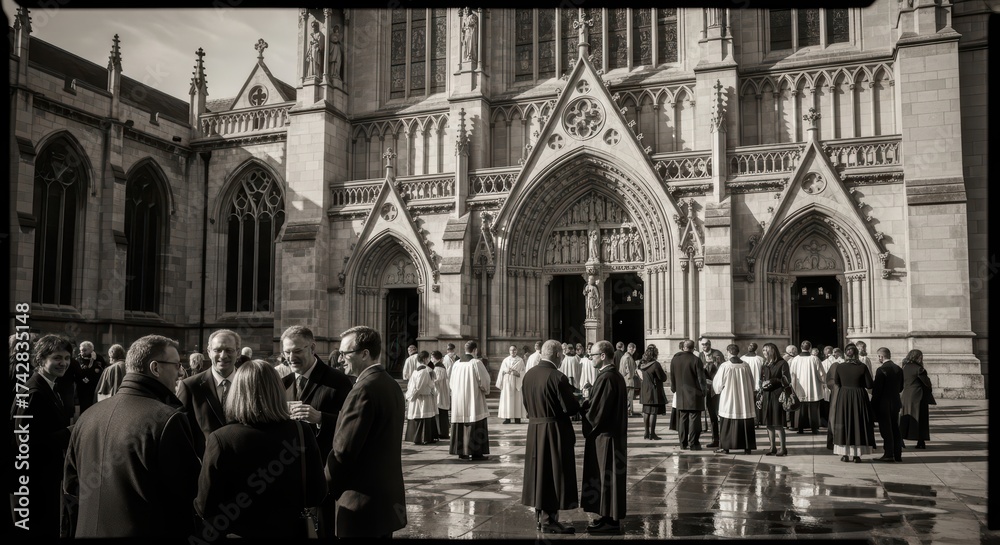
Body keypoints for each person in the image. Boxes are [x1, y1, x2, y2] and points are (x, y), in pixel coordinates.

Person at [65, 335, 200, 537]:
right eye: (176, 365)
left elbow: (71, 486)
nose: (180, 372)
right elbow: (188, 494)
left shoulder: (87, 416)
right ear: (155, 368)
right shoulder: (167, 419)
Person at [195, 359, 327, 539]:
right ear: (278, 391)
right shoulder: (301, 431)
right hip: (290, 531)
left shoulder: (221, 439)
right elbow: (317, 494)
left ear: (237, 392)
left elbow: (206, 505)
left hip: (239, 533)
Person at [327, 326, 406, 538]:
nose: (340, 359)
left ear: (364, 354)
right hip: (385, 502)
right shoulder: (390, 383)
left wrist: (322, 484)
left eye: (345, 353)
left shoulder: (362, 389)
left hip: (360, 503)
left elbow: (344, 451)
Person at [279, 325, 354, 536]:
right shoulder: (283, 383)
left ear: (312, 347)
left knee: (325, 529)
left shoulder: (337, 381)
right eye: (286, 352)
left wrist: (320, 418)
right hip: (289, 470)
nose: (291, 357)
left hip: (324, 471)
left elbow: (350, 426)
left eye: (296, 351)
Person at [11, 335, 74, 538]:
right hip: (33, 483)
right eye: (57, 357)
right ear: (40, 359)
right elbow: (26, 444)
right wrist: (70, 432)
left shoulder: (50, 386)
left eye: (66, 358)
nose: (63, 363)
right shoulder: (33, 392)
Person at [521, 340, 579, 534]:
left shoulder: (528, 375)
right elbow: (570, 408)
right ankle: (549, 521)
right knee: (553, 473)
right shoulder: (558, 377)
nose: (562, 357)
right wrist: (583, 403)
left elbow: (527, 405)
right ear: (556, 355)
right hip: (554, 430)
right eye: (561, 354)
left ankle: (540, 517)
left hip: (535, 429)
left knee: (539, 472)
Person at [580, 340, 627, 534]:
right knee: (604, 476)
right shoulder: (609, 376)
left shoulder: (607, 377)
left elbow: (598, 411)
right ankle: (605, 516)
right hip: (609, 436)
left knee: (606, 476)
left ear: (602, 356)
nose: (590, 358)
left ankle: (611, 521)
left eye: (592, 355)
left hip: (607, 438)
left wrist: (583, 409)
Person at [176, 329, 241, 456]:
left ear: (238, 353)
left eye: (229, 350)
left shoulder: (250, 383)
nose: (223, 356)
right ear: (209, 352)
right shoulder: (190, 386)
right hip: (205, 465)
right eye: (217, 350)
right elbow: (181, 431)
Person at [833, 345, 876, 463]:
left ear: (846, 354)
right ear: (857, 354)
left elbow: (837, 382)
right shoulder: (862, 367)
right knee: (858, 422)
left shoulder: (840, 367)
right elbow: (869, 385)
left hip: (844, 396)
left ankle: (845, 454)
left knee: (845, 422)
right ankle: (857, 455)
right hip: (859, 396)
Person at [449, 340, 491, 460]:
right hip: (473, 399)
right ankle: (476, 453)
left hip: (459, 401)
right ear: (475, 350)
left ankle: (462, 452)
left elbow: (451, 382)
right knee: (475, 419)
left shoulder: (456, 363)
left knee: (461, 423)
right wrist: (485, 390)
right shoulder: (476, 363)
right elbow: (484, 381)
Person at [713, 344, 757, 454]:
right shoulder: (745, 365)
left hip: (729, 398)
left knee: (728, 418)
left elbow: (718, 384)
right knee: (745, 420)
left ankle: (726, 447)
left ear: (728, 352)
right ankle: (747, 447)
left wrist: (718, 390)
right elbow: (752, 383)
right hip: (744, 399)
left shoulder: (725, 366)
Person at [670, 340, 706, 450]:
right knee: (694, 419)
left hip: (681, 393)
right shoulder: (696, 360)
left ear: (684, 347)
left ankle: (683, 443)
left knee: (683, 418)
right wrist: (704, 391)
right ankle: (693, 443)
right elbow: (701, 378)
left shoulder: (675, 359)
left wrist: (674, 389)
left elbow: (672, 376)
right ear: (693, 348)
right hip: (694, 393)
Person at [871, 347, 903, 462]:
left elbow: (877, 391)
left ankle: (889, 453)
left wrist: (873, 404)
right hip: (895, 401)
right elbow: (901, 388)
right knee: (895, 427)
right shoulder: (898, 369)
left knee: (886, 429)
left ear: (881, 356)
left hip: (884, 403)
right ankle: (898, 453)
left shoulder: (881, 370)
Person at [759, 343, 790, 456]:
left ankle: (783, 448)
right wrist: (761, 386)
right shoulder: (765, 364)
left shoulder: (782, 363)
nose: (764, 353)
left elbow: (786, 380)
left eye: (766, 350)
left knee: (778, 423)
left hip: (777, 395)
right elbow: (761, 378)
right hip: (767, 395)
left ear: (772, 351)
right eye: (763, 351)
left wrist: (773, 381)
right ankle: (772, 447)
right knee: (769, 424)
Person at [788, 341, 825, 435]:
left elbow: (792, 375)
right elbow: (821, 374)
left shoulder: (795, 360)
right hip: (813, 389)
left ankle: (800, 428)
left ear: (800, 347)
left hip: (800, 389)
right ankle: (814, 429)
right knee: (813, 410)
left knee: (801, 410)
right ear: (810, 348)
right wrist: (824, 381)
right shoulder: (815, 359)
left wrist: (792, 386)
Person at [900, 349, 933, 449]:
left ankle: (900, 439)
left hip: (906, 395)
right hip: (918, 396)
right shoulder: (920, 369)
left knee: (905, 418)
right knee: (921, 418)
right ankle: (921, 441)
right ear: (918, 357)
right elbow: (927, 383)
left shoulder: (904, 367)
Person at [405, 351, 439, 445]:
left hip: (419, 397)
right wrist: (413, 396)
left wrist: (410, 395)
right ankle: (423, 438)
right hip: (423, 398)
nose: (429, 360)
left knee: (421, 415)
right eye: (428, 358)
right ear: (424, 359)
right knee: (423, 415)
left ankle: (420, 438)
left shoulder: (416, 370)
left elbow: (411, 385)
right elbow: (420, 386)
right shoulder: (425, 371)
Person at [638, 344, 667, 440]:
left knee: (646, 411)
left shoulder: (642, 364)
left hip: (645, 389)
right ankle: (652, 434)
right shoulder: (655, 364)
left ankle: (646, 433)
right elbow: (662, 378)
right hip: (653, 390)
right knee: (653, 412)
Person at [497, 345, 527, 424]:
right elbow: (501, 371)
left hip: (517, 381)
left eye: (514, 350)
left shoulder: (520, 360)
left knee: (517, 399)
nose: (513, 352)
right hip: (507, 382)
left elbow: (523, 371)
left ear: (516, 351)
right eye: (511, 350)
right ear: (509, 351)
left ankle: (517, 418)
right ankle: (507, 418)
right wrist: (507, 371)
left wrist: (518, 373)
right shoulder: (505, 360)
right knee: (507, 399)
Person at [75, 341, 106, 414]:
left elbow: (101, 371)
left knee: (94, 406)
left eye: (84, 350)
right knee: (83, 407)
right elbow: (77, 371)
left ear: (91, 349)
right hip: (82, 387)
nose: (82, 352)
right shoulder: (78, 358)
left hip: (94, 386)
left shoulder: (98, 358)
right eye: (81, 350)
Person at [824, 347, 845, 451]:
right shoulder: (835, 365)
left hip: (837, 394)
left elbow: (829, 382)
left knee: (835, 417)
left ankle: (835, 442)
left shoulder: (835, 365)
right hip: (840, 394)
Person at [740, 343, 763, 426]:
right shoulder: (760, 359)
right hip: (756, 385)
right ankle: (756, 421)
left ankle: (750, 421)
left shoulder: (742, 358)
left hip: (746, 384)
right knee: (756, 403)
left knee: (748, 403)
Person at [430, 350, 451, 439]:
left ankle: (442, 432)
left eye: (432, 357)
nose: (431, 359)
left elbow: (436, 380)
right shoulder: (439, 367)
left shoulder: (438, 368)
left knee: (441, 414)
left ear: (436, 358)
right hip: (441, 392)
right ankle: (442, 431)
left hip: (439, 393)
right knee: (442, 413)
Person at [704, 351, 723, 448]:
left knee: (714, 417)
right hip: (716, 393)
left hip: (713, 394)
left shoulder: (711, 366)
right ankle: (718, 439)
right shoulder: (721, 366)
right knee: (717, 417)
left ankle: (716, 439)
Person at [619, 342, 638, 417]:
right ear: (632, 349)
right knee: (629, 398)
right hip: (629, 380)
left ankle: (625, 411)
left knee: (625, 398)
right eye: (634, 349)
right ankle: (629, 411)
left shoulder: (623, 357)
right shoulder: (629, 358)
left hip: (623, 380)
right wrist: (632, 374)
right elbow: (628, 370)